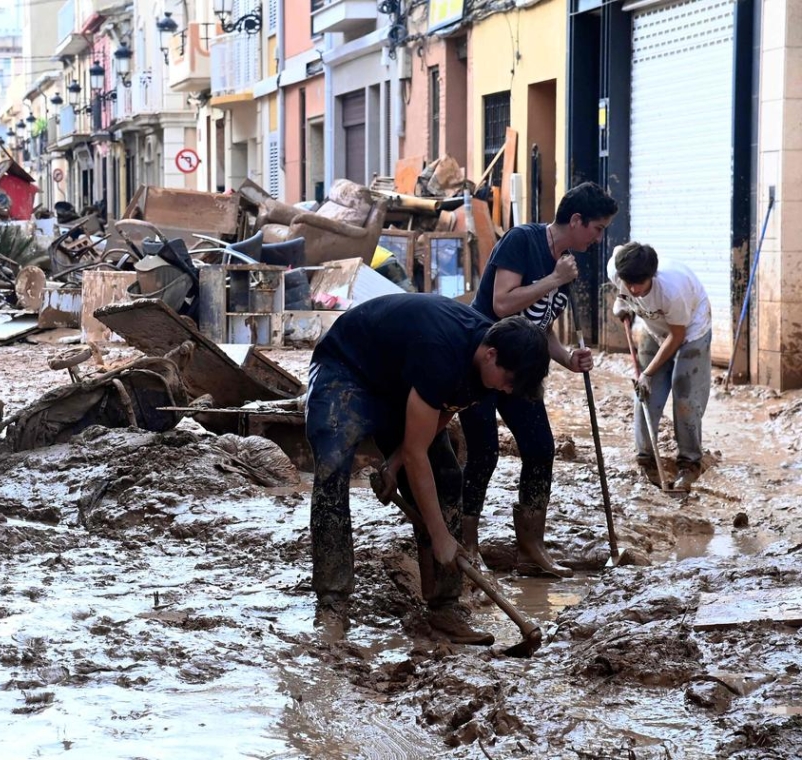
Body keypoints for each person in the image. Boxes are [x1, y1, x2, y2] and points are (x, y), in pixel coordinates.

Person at [305, 293, 550, 644]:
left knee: (448, 478)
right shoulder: (444, 353)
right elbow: (419, 451)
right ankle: (332, 603)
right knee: (332, 467)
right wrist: (439, 535)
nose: (509, 389)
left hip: (404, 381)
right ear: (491, 354)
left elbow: (447, 407)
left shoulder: (489, 366)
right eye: (509, 380)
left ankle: (444, 609)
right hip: (347, 367)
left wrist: (395, 462)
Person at [458, 181, 618, 577]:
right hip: (486, 361)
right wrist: (553, 279)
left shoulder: (568, 263)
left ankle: (531, 546)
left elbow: (541, 323)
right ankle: (466, 544)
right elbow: (502, 302)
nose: (599, 239)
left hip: (525, 367)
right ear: (576, 220)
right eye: (597, 229)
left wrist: (566, 357)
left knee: (541, 447)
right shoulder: (522, 241)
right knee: (484, 452)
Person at [608, 242, 712, 490]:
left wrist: (647, 372)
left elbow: (676, 337)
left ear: (652, 276)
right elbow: (619, 252)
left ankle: (689, 464)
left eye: (639, 285)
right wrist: (622, 301)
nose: (633, 289)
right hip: (654, 328)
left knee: (685, 396)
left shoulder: (672, 290)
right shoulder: (617, 270)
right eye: (627, 284)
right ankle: (646, 461)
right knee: (645, 395)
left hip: (690, 332)